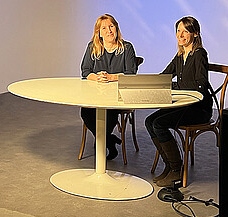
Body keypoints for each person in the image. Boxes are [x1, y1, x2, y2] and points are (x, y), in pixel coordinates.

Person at [145, 16, 213, 187]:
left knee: (159, 124)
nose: (180, 34)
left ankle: (177, 169)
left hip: (199, 109)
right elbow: (164, 77)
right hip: (184, 105)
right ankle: (169, 165)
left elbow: (201, 85)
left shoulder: (199, 54)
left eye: (185, 31)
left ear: (195, 34)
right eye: (178, 30)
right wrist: (145, 84)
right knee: (149, 121)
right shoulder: (180, 55)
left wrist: (174, 86)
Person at [80, 14, 137, 160]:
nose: (108, 31)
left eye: (111, 26)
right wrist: (97, 77)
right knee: (85, 113)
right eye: (104, 28)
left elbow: (131, 74)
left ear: (116, 28)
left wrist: (111, 77)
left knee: (110, 116)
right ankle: (109, 140)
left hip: (117, 96)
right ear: (98, 32)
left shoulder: (127, 48)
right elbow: (86, 71)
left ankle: (105, 141)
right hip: (96, 94)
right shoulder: (92, 47)